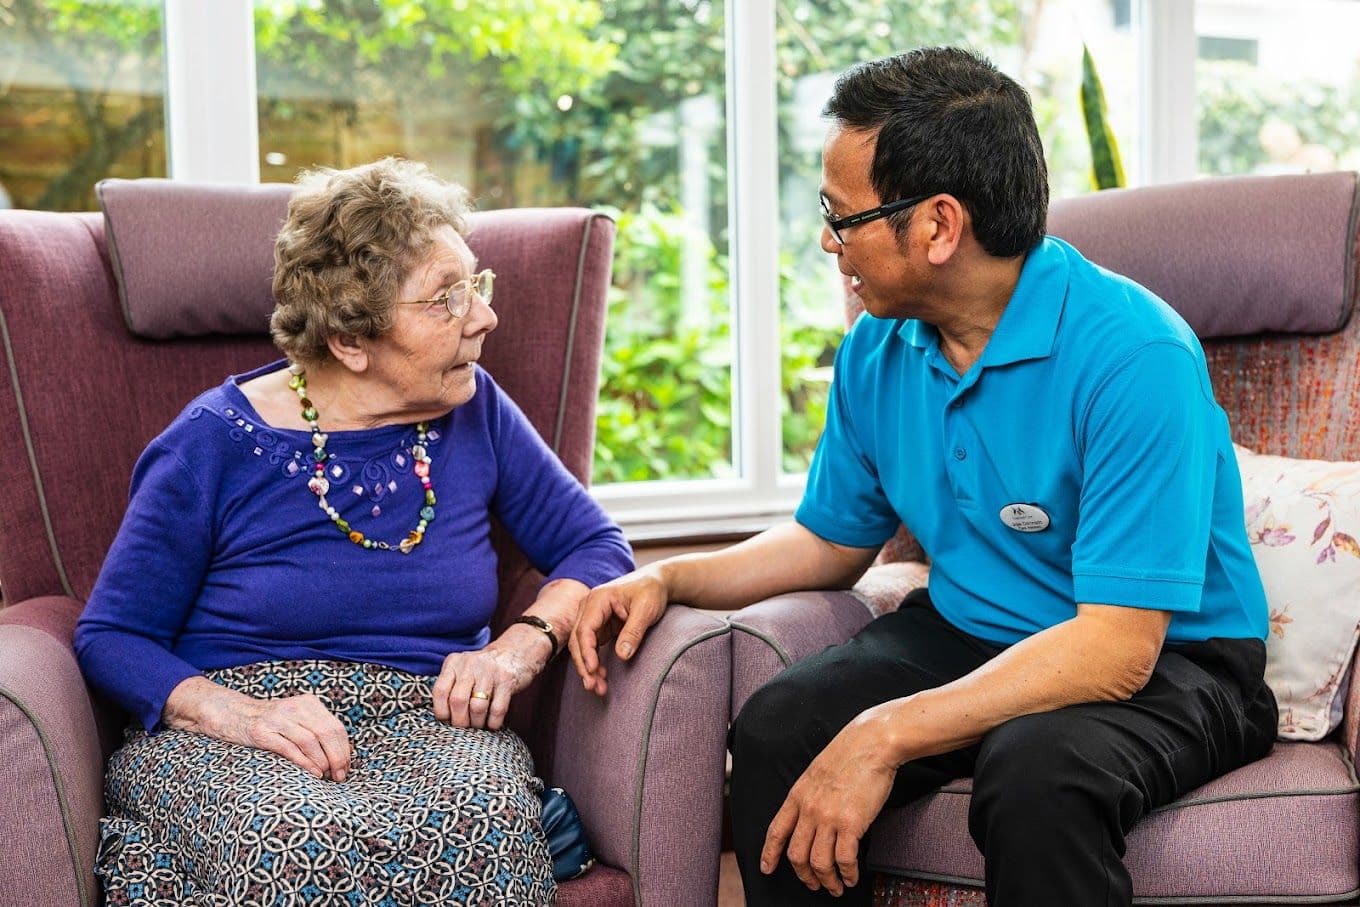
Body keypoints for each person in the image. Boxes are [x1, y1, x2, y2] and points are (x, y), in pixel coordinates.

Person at [570, 47, 1277, 907]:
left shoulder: (1136, 355)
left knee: (1037, 773)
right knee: (779, 727)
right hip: (976, 627)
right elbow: (830, 540)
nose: (830, 244)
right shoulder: (878, 345)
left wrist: (887, 732)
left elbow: (1116, 649)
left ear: (940, 226)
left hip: (1172, 657)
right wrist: (668, 575)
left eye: (843, 217)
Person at [74, 157, 633, 905]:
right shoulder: (211, 442)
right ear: (350, 341)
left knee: (491, 822)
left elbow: (594, 546)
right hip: (241, 727)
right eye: (445, 299)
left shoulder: (476, 410)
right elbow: (111, 635)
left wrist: (522, 641)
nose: (484, 316)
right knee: (285, 839)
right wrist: (243, 715)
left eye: (477, 283)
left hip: (427, 721)